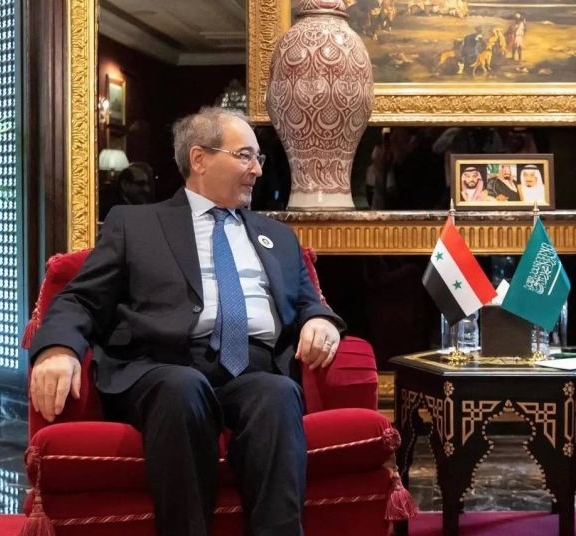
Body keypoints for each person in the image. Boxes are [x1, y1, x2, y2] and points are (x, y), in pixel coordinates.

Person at [27, 107, 345, 536]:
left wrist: (320, 321)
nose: (257, 169)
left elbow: (309, 302)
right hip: (162, 367)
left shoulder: (278, 236)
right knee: (183, 388)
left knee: (278, 393)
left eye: (258, 158)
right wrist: (58, 348)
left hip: (253, 369)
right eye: (245, 156)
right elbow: (81, 298)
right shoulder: (136, 225)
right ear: (200, 159)